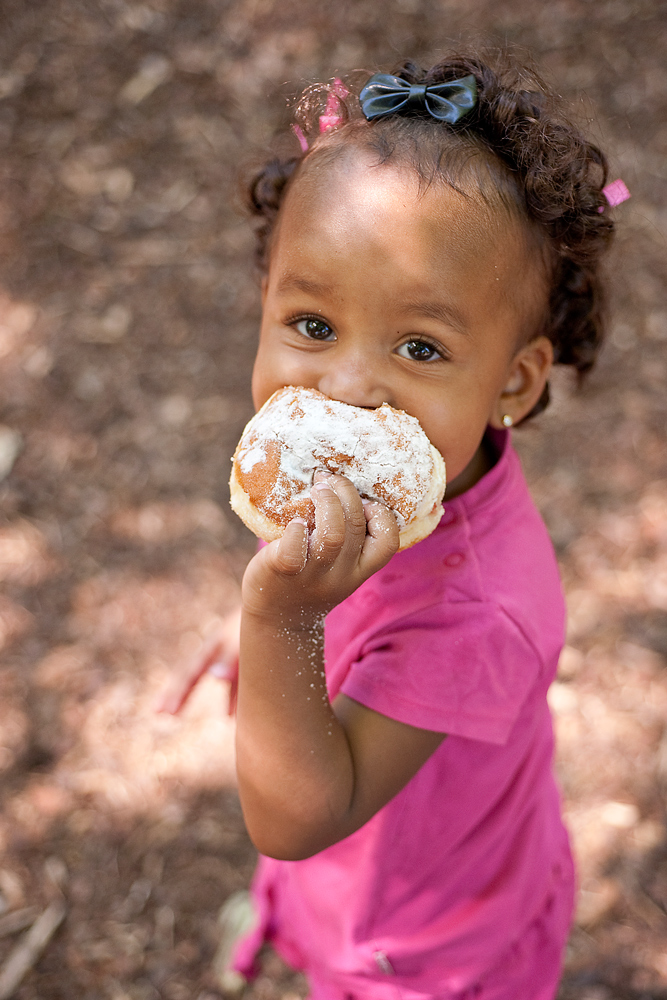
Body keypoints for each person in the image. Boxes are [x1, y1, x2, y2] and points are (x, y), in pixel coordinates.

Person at [161, 50, 617, 1000]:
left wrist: (278, 623)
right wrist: (258, 622)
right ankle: (291, 924)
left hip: (424, 943)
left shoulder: (476, 617)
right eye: (313, 325)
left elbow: (296, 821)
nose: (348, 388)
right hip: (334, 842)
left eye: (419, 346)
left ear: (512, 382)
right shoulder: (380, 476)